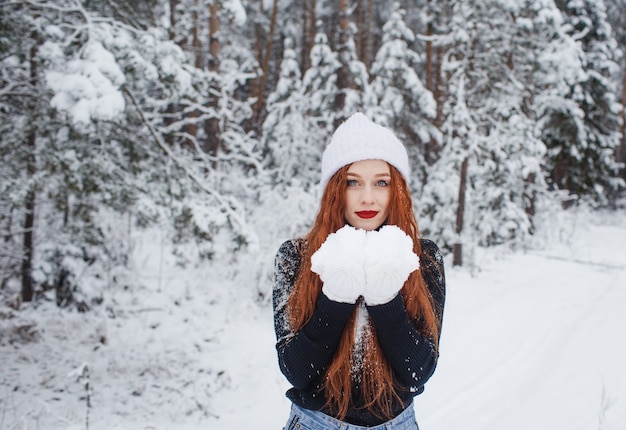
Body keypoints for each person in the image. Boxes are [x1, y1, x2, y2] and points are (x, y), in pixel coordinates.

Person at [273, 112, 446, 430]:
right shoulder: (297, 258)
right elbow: (296, 371)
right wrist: (335, 296)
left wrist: (385, 299)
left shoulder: (423, 258)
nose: (368, 197)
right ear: (334, 189)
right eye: (353, 182)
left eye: (382, 182)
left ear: (398, 190)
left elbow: (418, 372)